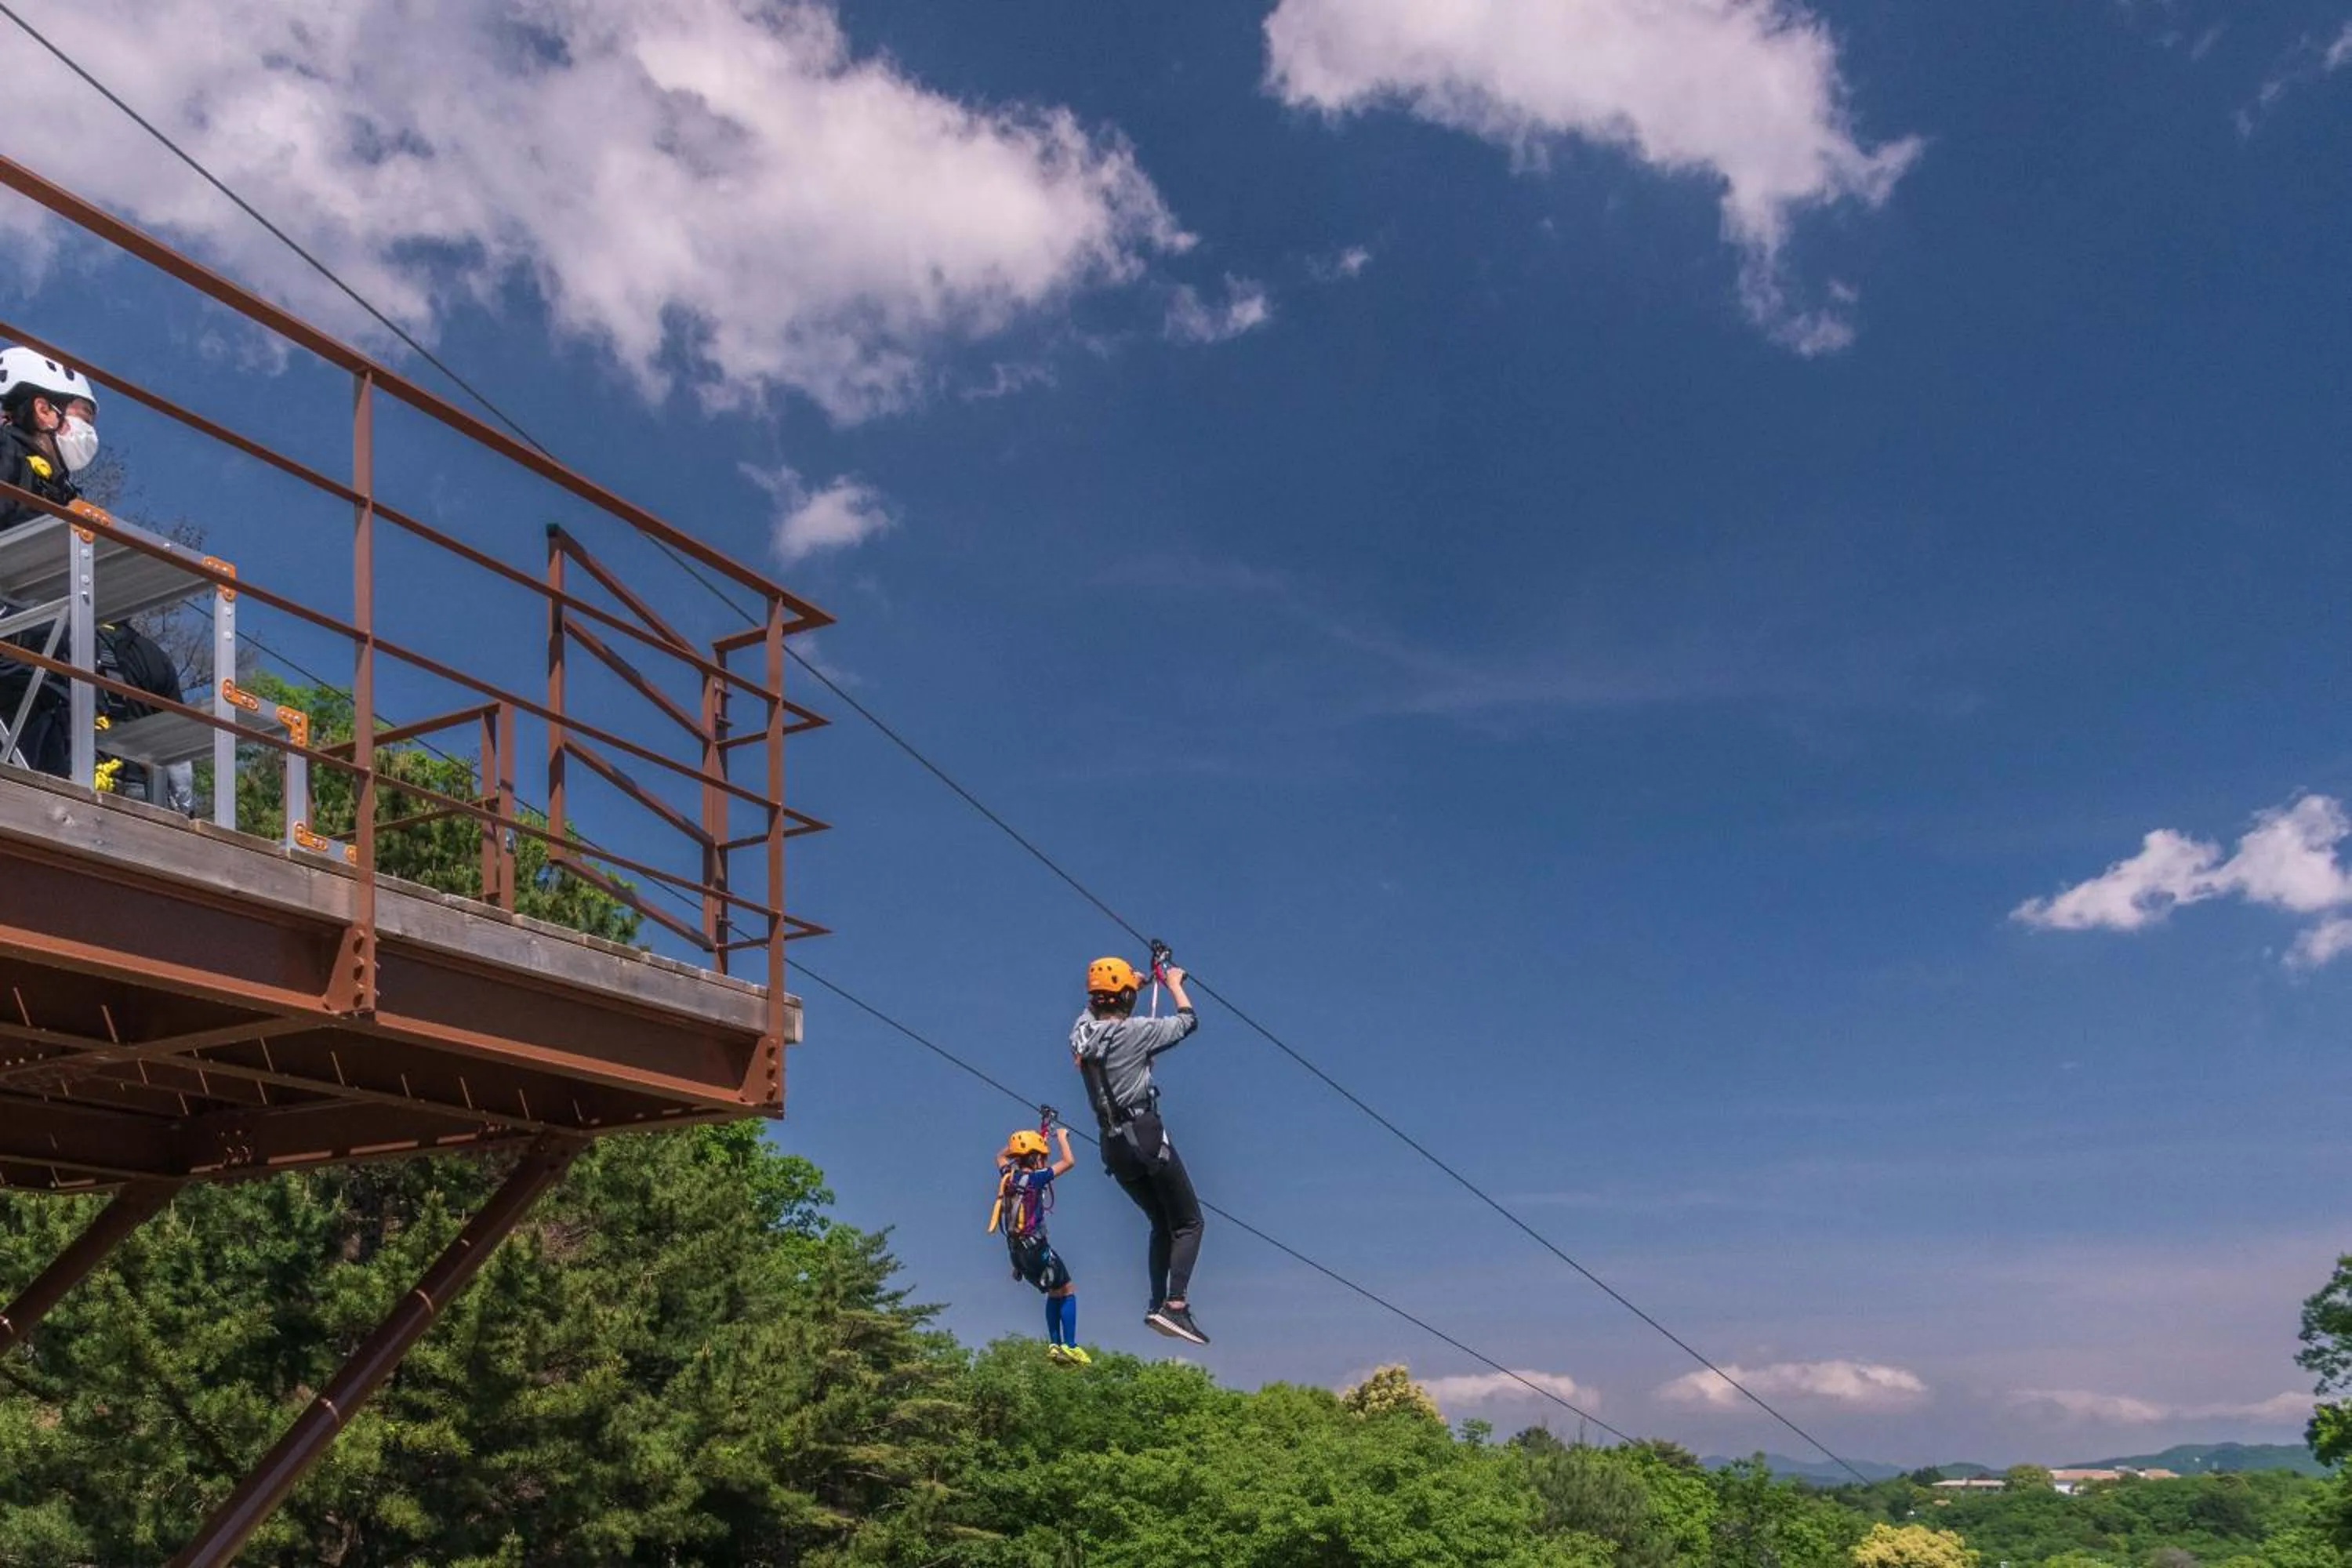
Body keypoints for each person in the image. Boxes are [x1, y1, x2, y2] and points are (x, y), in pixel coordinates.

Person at [1071, 954, 1209, 1346]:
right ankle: (1176, 1305)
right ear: (1126, 998)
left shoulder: (1080, 1033)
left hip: (1112, 1146)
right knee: (1189, 1223)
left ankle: (1155, 1303)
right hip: (1144, 1133)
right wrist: (1173, 983)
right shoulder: (1137, 1031)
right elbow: (1187, 1021)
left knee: (1160, 1224)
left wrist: (1138, 983)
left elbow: (1095, 1009)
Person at [991, 1122, 1090, 1365]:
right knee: (1067, 1290)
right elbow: (1068, 1161)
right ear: (1035, 1158)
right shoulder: (1035, 1178)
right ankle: (1071, 1345)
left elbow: (1000, 1155)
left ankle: (1055, 1345)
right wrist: (1062, 1138)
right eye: (1042, 1157)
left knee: (1053, 1292)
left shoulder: (1008, 1176)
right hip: (1036, 1249)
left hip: (1017, 1254)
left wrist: (1026, 1142)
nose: (1045, 1161)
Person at [0, 347, 100, 531]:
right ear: (44, 410)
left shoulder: (60, 489)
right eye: (84, 418)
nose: (89, 432)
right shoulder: (6, 452)